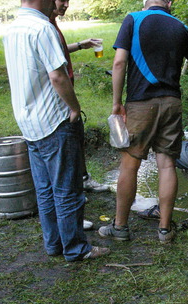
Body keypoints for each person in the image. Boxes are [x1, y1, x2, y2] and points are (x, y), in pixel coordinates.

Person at [98, 0, 188, 243]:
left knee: (130, 165)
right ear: (170, 2)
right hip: (172, 103)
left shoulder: (133, 19)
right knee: (167, 165)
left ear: (146, 1)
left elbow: (119, 62)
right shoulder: (181, 27)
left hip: (140, 104)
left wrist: (117, 103)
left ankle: (120, 228)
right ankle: (165, 230)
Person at [3, 0, 109, 261]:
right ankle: (76, 248)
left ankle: (54, 244)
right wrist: (75, 107)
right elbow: (58, 76)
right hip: (53, 121)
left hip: (29, 122)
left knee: (45, 189)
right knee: (67, 190)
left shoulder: (13, 28)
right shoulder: (42, 28)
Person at [50, 0, 109, 193]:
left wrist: (80, 45)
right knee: (66, 143)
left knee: (77, 136)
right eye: (62, 0)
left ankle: (82, 179)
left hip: (66, 93)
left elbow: (59, 51)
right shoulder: (45, 25)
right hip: (57, 97)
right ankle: (71, 190)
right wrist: (74, 107)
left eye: (68, 1)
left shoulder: (53, 21)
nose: (66, 4)